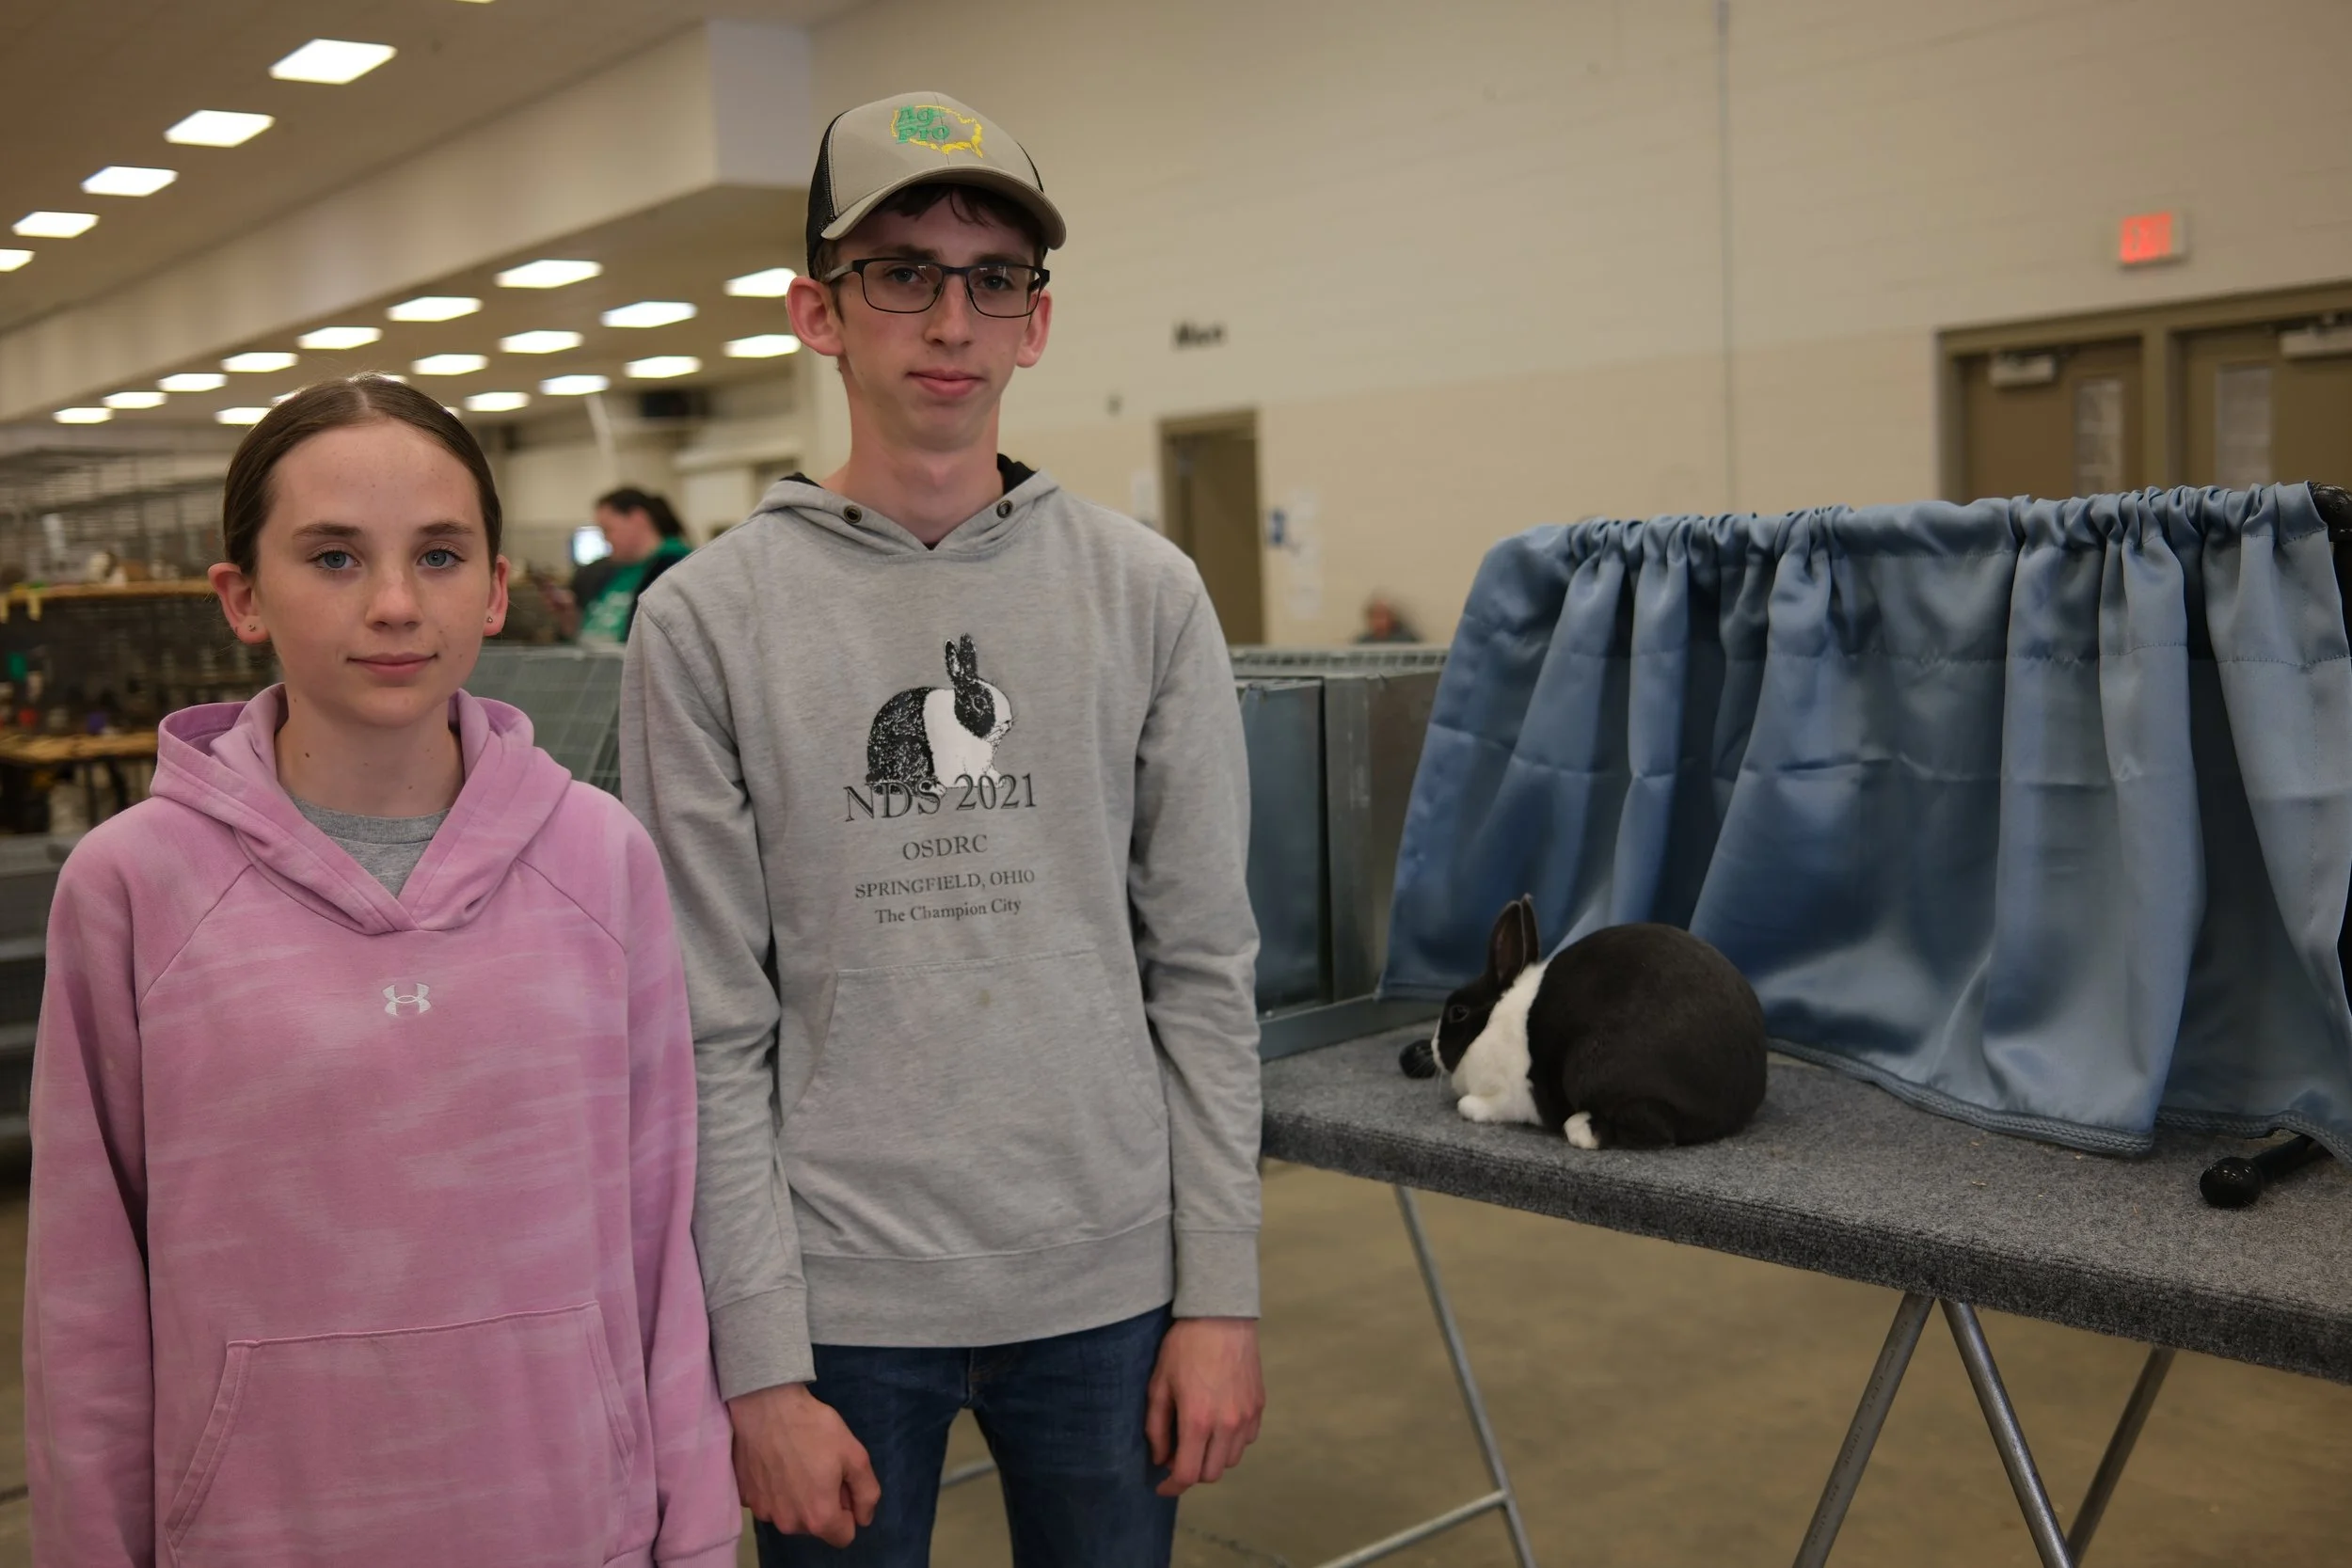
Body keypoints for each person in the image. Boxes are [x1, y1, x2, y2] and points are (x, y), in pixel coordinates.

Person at [620, 91, 1265, 1565]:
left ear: (1036, 323)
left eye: (993, 279)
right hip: (840, 1307)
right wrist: (757, 1354)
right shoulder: (703, 622)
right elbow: (705, 1025)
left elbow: (1206, 970)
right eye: (902, 270)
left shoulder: (1147, 595)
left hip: (1108, 1286)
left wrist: (1218, 1292)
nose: (950, 317)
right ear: (820, 312)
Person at [24, 375, 739, 1567]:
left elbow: (666, 1243)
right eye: (337, 557)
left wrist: (699, 1533)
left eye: (443, 554)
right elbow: (86, 1300)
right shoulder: (132, 886)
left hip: (569, 1527)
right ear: (241, 596)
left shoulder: (601, 859)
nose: (398, 603)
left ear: (501, 588)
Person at [578, 486, 691, 644]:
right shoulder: (616, 571)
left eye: (608, 530)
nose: (606, 540)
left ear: (637, 519)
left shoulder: (675, 567)